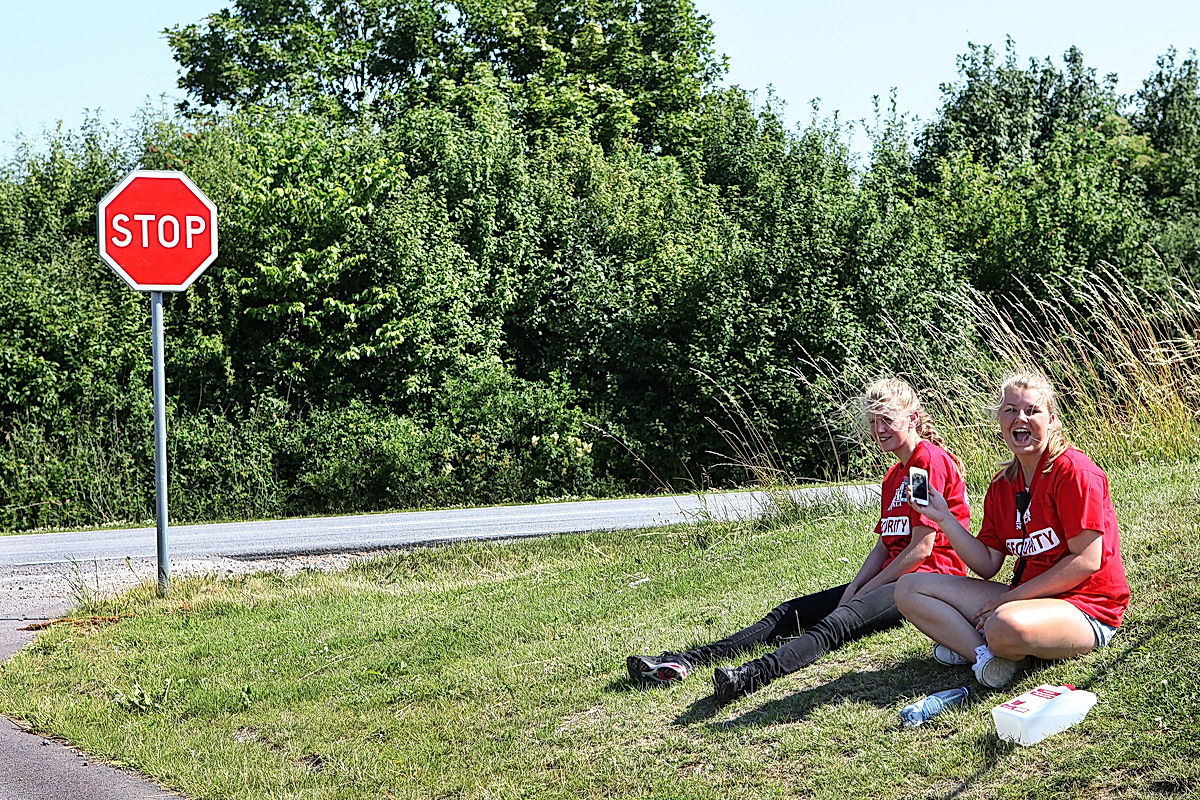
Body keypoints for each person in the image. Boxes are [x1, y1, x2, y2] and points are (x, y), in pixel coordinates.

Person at [626, 377, 970, 705]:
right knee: (790, 612)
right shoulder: (894, 476)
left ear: (911, 418)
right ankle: (685, 660)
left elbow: (921, 549)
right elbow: (885, 544)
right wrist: (856, 586)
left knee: (835, 624)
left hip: (925, 585)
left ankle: (751, 675)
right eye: (873, 422)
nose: (879, 430)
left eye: (887, 420)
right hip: (894, 579)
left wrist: (864, 592)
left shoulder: (927, 461)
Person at [895, 371, 1130, 689]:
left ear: (1052, 419)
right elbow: (988, 564)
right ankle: (986, 658)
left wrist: (1011, 600)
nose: (1021, 417)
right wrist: (945, 518)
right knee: (908, 588)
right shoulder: (1001, 484)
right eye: (1010, 410)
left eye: (1032, 410)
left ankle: (987, 640)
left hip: (1086, 608)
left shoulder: (1074, 472)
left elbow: (1087, 561)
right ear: (1001, 420)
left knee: (1003, 624)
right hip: (1027, 601)